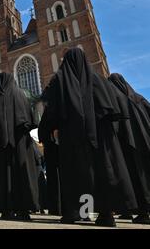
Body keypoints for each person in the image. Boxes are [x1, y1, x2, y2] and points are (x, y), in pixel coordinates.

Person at [41, 48, 137, 227]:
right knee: (103, 172)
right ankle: (106, 214)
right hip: (99, 137)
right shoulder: (98, 80)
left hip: (72, 137)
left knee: (75, 175)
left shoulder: (60, 81)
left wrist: (51, 129)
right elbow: (116, 107)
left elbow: (49, 109)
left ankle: (77, 212)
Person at [0, 72, 40, 221]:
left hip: (0, 145)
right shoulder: (20, 94)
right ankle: (24, 210)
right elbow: (28, 119)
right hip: (19, 144)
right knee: (22, 173)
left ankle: (5, 209)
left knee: (2, 175)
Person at [109, 73, 150, 224]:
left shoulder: (117, 99)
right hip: (145, 143)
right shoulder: (140, 98)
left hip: (128, 143)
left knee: (136, 178)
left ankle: (142, 212)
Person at [38, 109, 62, 216]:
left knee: (54, 179)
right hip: (55, 148)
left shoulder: (51, 108)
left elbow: (44, 128)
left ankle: (56, 207)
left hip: (53, 148)